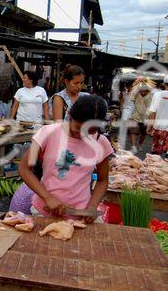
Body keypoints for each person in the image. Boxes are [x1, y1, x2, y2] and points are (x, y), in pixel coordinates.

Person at [10, 95, 113, 223]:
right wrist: (47, 197)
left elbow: (102, 181)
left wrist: (92, 206)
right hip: (45, 211)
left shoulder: (100, 142)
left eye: (90, 131)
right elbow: (25, 169)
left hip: (81, 215)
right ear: (69, 115)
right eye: (78, 128)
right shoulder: (48, 133)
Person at [129, 84, 153, 154]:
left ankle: (140, 144)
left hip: (145, 117)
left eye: (145, 91)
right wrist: (138, 83)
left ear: (148, 91)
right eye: (141, 91)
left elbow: (150, 109)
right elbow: (132, 94)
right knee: (133, 131)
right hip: (135, 115)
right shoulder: (136, 94)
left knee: (143, 133)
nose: (143, 93)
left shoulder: (150, 97)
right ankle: (133, 145)